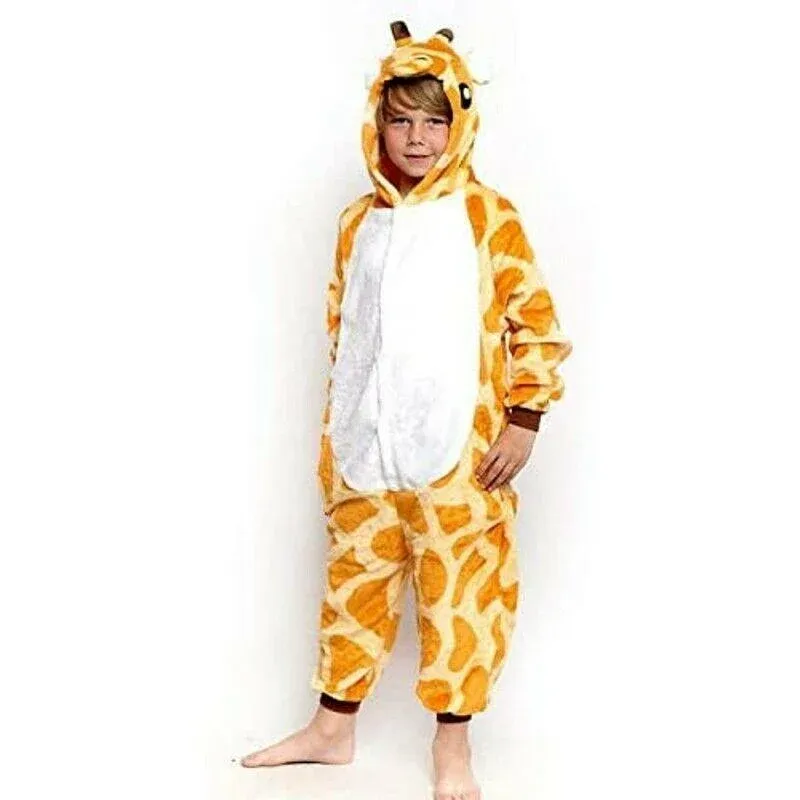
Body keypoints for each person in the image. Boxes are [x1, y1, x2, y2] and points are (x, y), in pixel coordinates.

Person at [240, 20, 573, 800]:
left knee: (460, 595)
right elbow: (345, 328)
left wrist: (524, 417)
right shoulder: (358, 222)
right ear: (377, 123)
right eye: (400, 120)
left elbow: (535, 321)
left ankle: (453, 749)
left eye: (434, 121)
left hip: (457, 452)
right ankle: (332, 729)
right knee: (351, 584)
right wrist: (340, 432)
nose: (417, 138)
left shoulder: (488, 216)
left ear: (460, 125)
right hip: (364, 451)